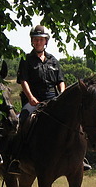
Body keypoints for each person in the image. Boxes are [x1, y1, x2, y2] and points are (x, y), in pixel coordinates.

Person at [12, 24, 90, 172]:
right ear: (32, 41)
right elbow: (24, 81)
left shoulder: (53, 60)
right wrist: (31, 98)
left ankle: (80, 157)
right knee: (23, 120)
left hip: (53, 100)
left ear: (46, 41)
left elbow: (60, 81)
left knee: (74, 121)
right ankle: (17, 158)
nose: (38, 42)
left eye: (41, 40)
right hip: (34, 101)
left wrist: (62, 96)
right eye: (35, 40)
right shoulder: (26, 60)